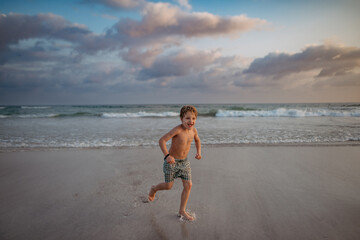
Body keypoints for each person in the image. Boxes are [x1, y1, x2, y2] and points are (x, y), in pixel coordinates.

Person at [148, 105, 202, 221]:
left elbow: (197, 140)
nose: (190, 121)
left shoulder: (194, 131)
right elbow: (162, 140)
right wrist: (167, 155)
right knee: (168, 186)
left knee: (188, 185)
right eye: (187, 118)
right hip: (171, 162)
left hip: (184, 162)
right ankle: (154, 189)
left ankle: (182, 210)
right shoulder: (178, 130)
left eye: (193, 118)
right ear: (181, 119)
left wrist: (198, 152)